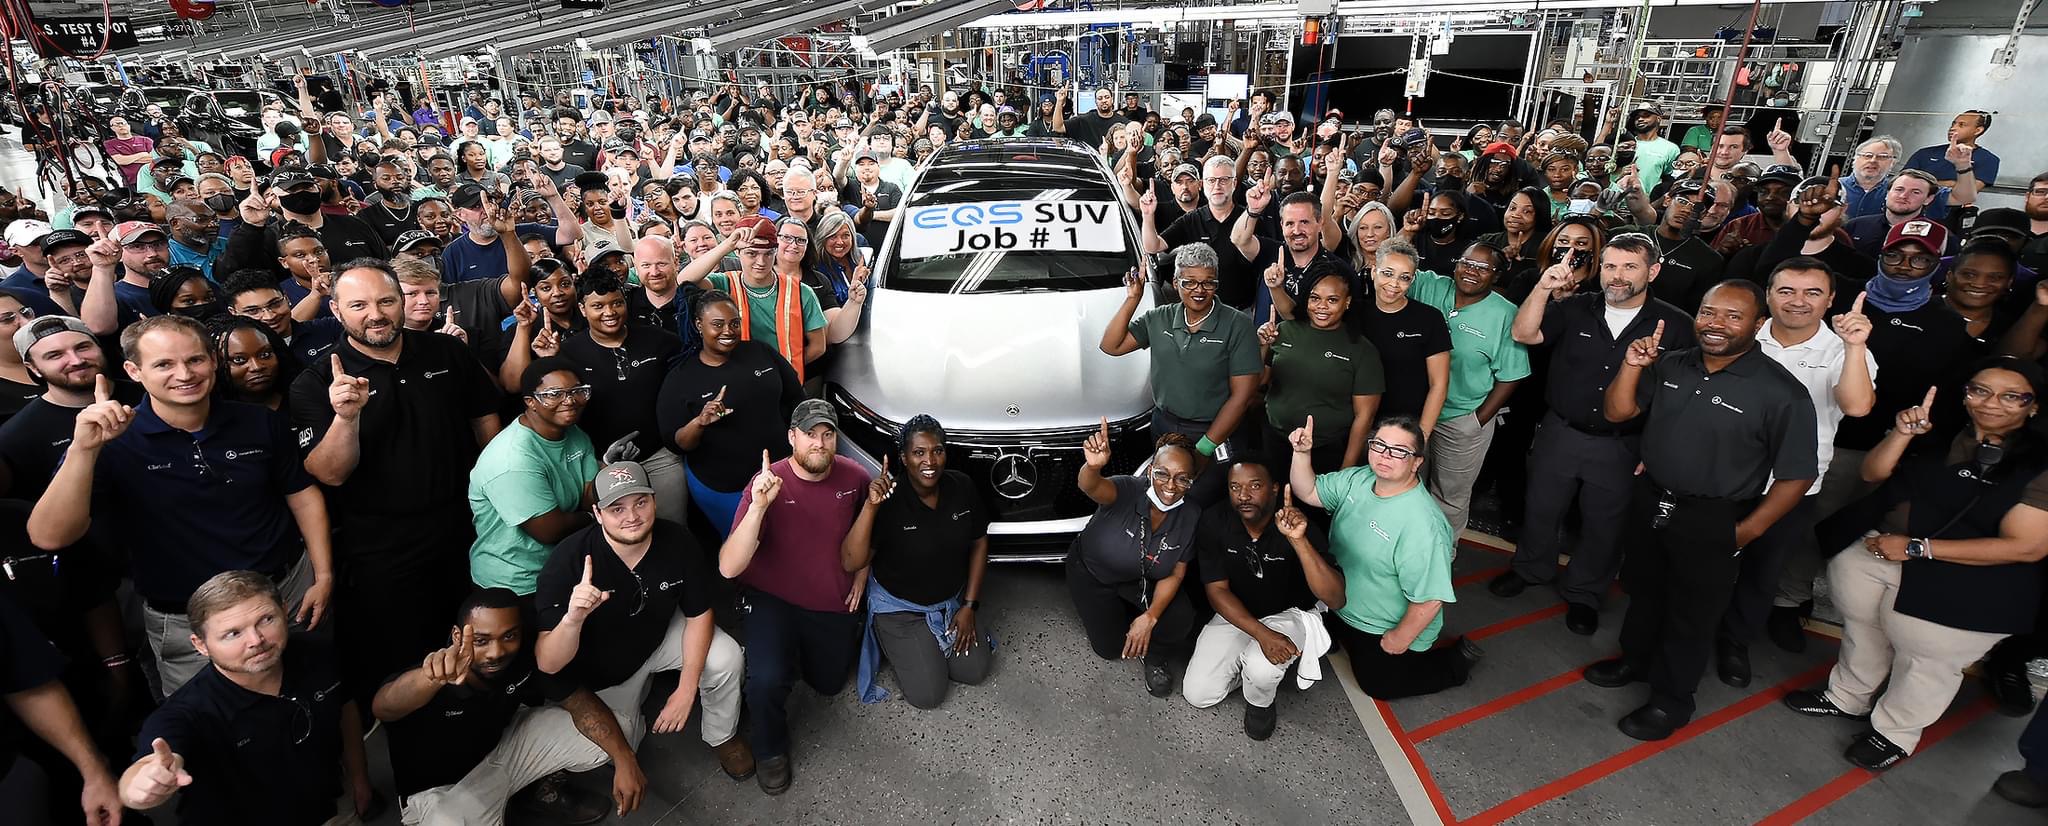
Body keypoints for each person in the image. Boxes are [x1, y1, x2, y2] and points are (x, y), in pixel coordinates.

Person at [28, 316, 337, 698]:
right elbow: (49, 536)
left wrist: (323, 575)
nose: (184, 374)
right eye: (164, 364)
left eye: (195, 360)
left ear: (213, 361)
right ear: (134, 371)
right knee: (213, 724)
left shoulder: (258, 421)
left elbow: (302, 495)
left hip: (287, 593)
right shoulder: (112, 440)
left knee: (319, 694)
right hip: (188, 620)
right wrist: (83, 449)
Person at [1786, 357, 2048, 769]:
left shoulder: (2039, 466)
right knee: (1863, 632)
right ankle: (1847, 697)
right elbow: (1873, 473)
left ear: (2033, 406)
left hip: (1963, 579)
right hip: (1876, 549)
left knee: (1927, 663)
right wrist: (1902, 434)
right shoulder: (1938, 433)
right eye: (1980, 390)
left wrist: (1916, 548)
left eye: (2012, 396)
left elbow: (2027, 547)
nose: (1991, 403)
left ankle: (1894, 733)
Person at [1587, 280, 1818, 741]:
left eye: (1734, 316)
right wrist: (1631, 366)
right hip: (1652, 499)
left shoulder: (1782, 393)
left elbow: (1797, 477)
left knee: (1692, 614)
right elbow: (1617, 413)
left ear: (1758, 324)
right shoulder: (1671, 364)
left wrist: (1746, 532)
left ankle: (1671, 701)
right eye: (1709, 312)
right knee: (1645, 592)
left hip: (1715, 517)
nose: (1717, 324)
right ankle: (1635, 661)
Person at [1768, 202, 1974, 652]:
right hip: (1827, 439)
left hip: (1892, 446)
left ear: (1937, 265)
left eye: (1919, 259)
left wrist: (1915, 441)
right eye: (1895, 254)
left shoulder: (1946, 325)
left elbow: (1946, 394)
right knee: (1809, 526)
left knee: (1856, 533)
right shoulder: (1841, 296)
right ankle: (1789, 599)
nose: (1904, 265)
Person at [1496, 234, 1697, 635]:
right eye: (1610, 266)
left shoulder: (1676, 326)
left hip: (1623, 444)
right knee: (1541, 508)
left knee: (1605, 525)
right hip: (1560, 432)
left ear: (1653, 271)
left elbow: (1683, 396)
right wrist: (1543, 287)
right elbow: (1523, 333)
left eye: (1629, 267)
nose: (1617, 276)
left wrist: (1656, 450)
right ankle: (1531, 568)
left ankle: (1584, 593)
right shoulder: (1575, 307)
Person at [534, 461, 754, 785]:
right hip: (606, 675)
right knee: (617, 746)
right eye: (617, 509)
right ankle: (640, 697)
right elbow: (548, 663)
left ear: (654, 501)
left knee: (726, 657)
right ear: (597, 514)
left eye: (640, 502)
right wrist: (572, 619)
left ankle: (723, 736)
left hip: (658, 637)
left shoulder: (677, 541)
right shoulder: (568, 561)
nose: (632, 516)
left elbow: (699, 614)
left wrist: (686, 689)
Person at [1715, 259, 1877, 687]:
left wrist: (1855, 346)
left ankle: (1734, 643)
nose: (1798, 302)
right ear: (1768, 295)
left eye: (1812, 293)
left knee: (1762, 570)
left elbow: (1858, 405)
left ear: (1830, 299)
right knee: (1706, 560)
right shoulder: (1742, 334)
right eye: (1786, 291)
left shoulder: (1844, 349)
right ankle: (1688, 630)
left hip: (1790, 486)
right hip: (1721, 474)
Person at [117, 571, 374, 823]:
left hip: (331, 809)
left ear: (284, 610)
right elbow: (147, 766)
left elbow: (344, 708)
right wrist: (141, 785)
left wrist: (359, 779)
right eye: (233, 633)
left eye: (266, 619)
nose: (256, 640)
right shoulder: (188, 711)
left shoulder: (318, 652)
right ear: (200, 645)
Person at [718, 398, 869, 795]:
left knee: (829, 683)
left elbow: (869, 528)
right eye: (809, 434)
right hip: (773, 597)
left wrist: (862, 574)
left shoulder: (855, 477)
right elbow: (729, 567)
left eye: (827, 434)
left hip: (829, 598)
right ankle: (769, 749)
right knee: (766, 680)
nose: (819, 443)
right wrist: (758, 508)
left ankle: (794, 653)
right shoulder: (766, 482)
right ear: (791, 437)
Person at [371, 589, 619, 825]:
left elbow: (578, 699)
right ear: (457, 636)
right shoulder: (435, 674)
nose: (496, 652)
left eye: (509, 636)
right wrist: (431, 679)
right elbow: (383, 707)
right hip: (446, 792)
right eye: (481, 640)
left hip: (498, 758)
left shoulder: (521, 656)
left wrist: (625, 760)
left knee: (615, 733)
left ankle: (529, 792)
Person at [1288, 415, 1479, 698]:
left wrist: (1398, 639)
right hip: (1341, 601)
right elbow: (1309, 490)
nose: (1385, 455)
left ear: (1416, 462)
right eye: (1379, 445)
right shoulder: (1359, 479)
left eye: (1400, 451)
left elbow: (1430, 599)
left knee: (1378, 684)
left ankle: (1456, 662)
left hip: (1381, 624)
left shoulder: (1423, 525)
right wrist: (1302, 453)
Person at [501, 269, 685, 522]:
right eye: (598, 306)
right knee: (619, 532)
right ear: (583, 308)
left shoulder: (661, 342)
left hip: (660, 459)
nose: (609, 312)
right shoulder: (567, 353)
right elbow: (524, 389)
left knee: (672, 528)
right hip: (596, 464)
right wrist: (549, 360)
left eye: (616, 303)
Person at [840, 415, 995, 708]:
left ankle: (930, 638)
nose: (930, 461)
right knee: (928, 695)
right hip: (900, 610)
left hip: (950, 601)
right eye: (919, 452)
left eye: (938, 451)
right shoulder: (889, 499)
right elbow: (850, 562)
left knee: (974, 671)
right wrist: (871, 506)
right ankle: (897, 638)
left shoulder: (961, 486)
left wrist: (969, 606)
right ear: (904, 457)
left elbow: (979, 541)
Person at [1182, 459, 1345, 739]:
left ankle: (1260, 702)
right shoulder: (1215, 520)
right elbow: (1217, 590)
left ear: (1274, 489)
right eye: (1235, 487)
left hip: (1290, 613)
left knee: (1262, 667)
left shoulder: (1297, 522)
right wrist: (1262, 635)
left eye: (1255, 486)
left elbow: (1336, 598)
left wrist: (1298, 541)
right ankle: (1258, 669)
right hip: (1239, 611)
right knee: (1199, 694)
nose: (1243, 495)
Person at [1406, 241, 1531, 534]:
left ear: (1497, 275)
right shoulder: (1433, 286)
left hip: (1461, 418)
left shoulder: (1505, 314)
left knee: (1449, 497)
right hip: (1414, 412)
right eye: (1466, 263)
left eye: (1483, 268)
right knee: (1407, 485)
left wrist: (1477, 420)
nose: (1471, 271)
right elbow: (1391, 263)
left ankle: (1443, 552)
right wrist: (1408, 232)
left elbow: (1512, 375)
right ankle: (1410, 547)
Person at [1069, 426, 1202, 697]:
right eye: (1162, 473)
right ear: (1151, 470)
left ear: (1191, 481)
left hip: (1141, 579)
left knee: (1179, 617)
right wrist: (1092, 467)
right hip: (1094, 574)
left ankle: (1155, 656)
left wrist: (1151, 618)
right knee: (1109, 648)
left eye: (1182, 479)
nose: (1170, 486)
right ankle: (1122, 615)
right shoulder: (1128, 489)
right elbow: (1090, 486)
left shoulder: (1191, 514)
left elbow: (1176, 573)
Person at [1100, 243, 1260, 458]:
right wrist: (1133, 298)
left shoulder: (1238, 325)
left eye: (1208, 283)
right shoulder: (1159, 318)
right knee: (1168, 480)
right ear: (1175, 283)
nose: (1199, 290)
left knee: (1210, 480)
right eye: (1189, 282)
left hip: (1216, 430)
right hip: (1165, 425)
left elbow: (1242, 397)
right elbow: (1111, 346)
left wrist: (1205, 448)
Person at [468, 358, 599, 594]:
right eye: (553, 394)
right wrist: (594, 517)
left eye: (577, 391)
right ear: (530, 402)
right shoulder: (513, 459)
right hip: (518, 582)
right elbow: (549, 530)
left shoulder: (573, 433)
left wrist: (608, 468)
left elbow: (589, 495)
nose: (569, 400)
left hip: (566, 567)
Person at [1256, 263, 1384, 474]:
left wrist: (1346, 470)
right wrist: (1262, 346)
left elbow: (1365, 417)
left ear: (1347, 302)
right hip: (1275, 440)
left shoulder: (1361, 349)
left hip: (1326, 449)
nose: (1321, 306)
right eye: (1315, 298)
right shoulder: (1284, 331)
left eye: (1332, 300)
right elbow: (1259, 381)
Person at [678, 216, 828, 382]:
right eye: (751, 253)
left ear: (775, 251)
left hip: (785, 383)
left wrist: (780, 369)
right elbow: (684, 280)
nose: (761, 262)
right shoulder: (725, 283)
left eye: (768, 254)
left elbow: (818, 346)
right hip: (738, 382)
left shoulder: (801, 292)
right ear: (737, 252)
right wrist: (727, 245)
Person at [1143, 156, 1267, 310]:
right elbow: (1153, 246)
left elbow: (1266, 265)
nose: (1217, 186)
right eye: (1211, 180)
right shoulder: (1191, 220)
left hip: (1244, 309)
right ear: (1202, 184)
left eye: (1223, 180)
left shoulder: (1251, 219)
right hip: (1201, 310)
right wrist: (1147, 215)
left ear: (1234, 183)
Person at [1356, 239, 1451, 434]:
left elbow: (1439, 385)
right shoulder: (1354, 314)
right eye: (1387, 273)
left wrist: (1421, 436)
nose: (1394, 284)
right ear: (1374, 272)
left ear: (1412, 280)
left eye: (1404, 277)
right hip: (1356, 426)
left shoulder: (1430, 319)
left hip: (1406, 430)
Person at [1903, 110, 1999, 188]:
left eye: (1961, 125)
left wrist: (1922, 184)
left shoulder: (1988, 159)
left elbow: (1969, 191)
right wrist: (1950, 183)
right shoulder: (1925, 153)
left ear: (1978, 130)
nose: (1953, 128)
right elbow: (1902, 181)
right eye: (1953, 124)